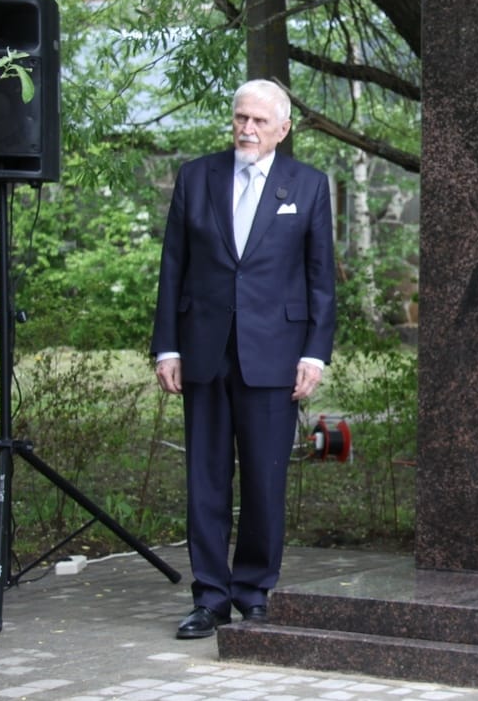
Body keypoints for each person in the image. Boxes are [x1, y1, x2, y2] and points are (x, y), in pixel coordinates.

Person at [151, 79, 337, 639]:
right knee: (205, 479)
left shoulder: (307, 186)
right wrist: (167, 345)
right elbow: (173, 267)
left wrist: (314, 354)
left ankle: (254, 591)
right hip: (204, 352)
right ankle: (210, 598)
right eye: (240, 118)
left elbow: (320, 280)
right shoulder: (196, 177)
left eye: (258, 121)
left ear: (283, 129)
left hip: (275, 356)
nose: (247, 130)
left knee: (263, 480)